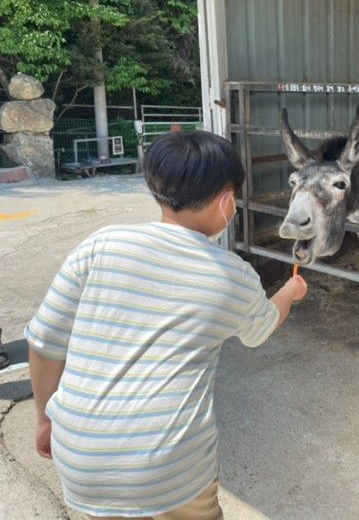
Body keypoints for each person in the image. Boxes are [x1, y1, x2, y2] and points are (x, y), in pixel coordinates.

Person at [26, 131, 307, 519]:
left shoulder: (101, 244)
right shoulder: (231, 275)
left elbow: (44, 346)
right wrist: (290, 290)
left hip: (80, 457)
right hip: (168, 467)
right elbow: (262, 326)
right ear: (227, 201)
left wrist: (45, 418)